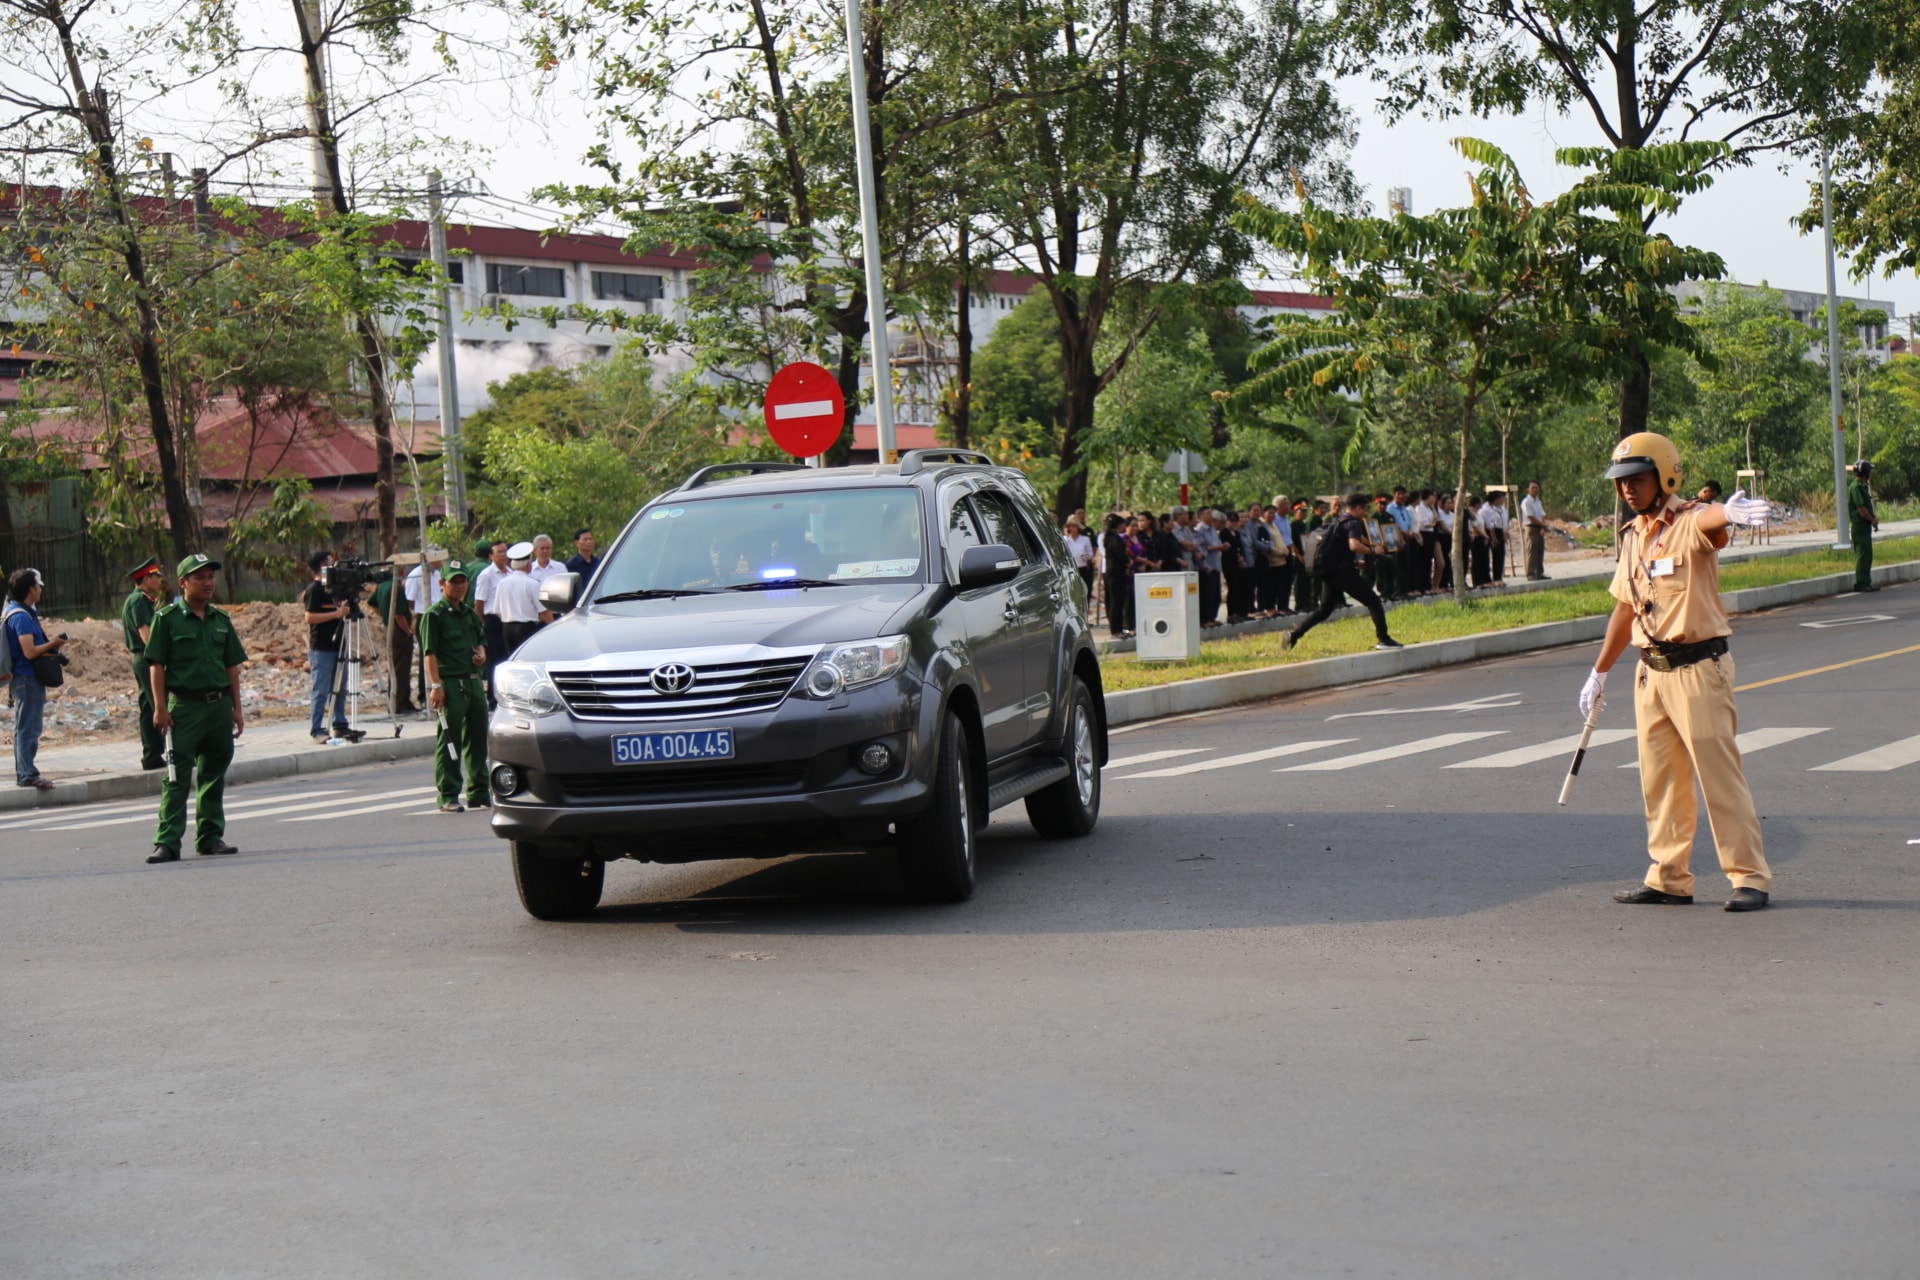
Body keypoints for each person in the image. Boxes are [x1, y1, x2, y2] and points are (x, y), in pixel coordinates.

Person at [1580, 431, 1773, 912]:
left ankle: (1749, 877)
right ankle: (1669, 877)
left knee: (1719, 778)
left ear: (1664, 475)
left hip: (1698, 669)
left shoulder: (1688, 523)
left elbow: (1711, 521)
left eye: (1637, 479)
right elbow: (1625, 612)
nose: (1627, 489)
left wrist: (1728, 512)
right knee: (1661, 782)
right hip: (1651, 672)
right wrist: (1599, 672)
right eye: (1621, 481)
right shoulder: (1633, 537)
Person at [143, 553, 246, 863]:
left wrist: (237, 709)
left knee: (214, 772)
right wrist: (160, 708)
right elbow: (157, 666)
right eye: (199, 577)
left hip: (218, 706)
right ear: (183, 583)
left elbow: (231, 667)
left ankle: (211, 837)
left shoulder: (221, 621)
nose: (207, 582)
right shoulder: (166, 619)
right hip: (184, 707)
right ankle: (167, 842)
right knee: (176, 776)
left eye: (210, 576)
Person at [1280, 494, 1402, 652]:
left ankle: (1293, 635)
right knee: (1373, 601)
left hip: (1331, 571)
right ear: (1358, 508)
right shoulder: (1353, 523)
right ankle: (1383, 639)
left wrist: (1357, 561)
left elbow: (1340, 549)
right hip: (1343, 573)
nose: (1367, 512)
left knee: (1324, 611)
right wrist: (1373, 550)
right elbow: (1353, 545)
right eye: (1366, 509)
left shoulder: (1338, 520)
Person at [422, 560, 490, 814]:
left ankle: (479, 791)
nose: (459, 586)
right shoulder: (434, 615)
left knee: (477, 738)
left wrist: (481, 655)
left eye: (462, 581)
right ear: (442, 584)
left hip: (472, 681)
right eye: (454, 581)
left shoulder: (469, 613)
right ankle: (448, 794)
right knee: (449, 740)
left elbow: (481, 641)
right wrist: (435, 685)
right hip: (450, 684)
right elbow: (429, 654)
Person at [5, 567, 68, 790]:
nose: (40, 589)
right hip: (27, 678)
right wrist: (53, 643)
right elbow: (30, 652)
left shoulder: (18, 611)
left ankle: (25, 772)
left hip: (24, 679)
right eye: (39, 586)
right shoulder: (21, 617)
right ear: (31, 589)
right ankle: (27, 774)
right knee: (28, 729)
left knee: (25, 727)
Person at [300, 550, 358, 744]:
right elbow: (309, 617)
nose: (334, 566)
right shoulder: (315, 590)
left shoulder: (334, 590)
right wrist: (336, 614)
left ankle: (339, 724)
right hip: (322, 648)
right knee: (321, 690)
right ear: (322, 567)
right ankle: (317, 729)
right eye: (330, 563)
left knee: (340, 688)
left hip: (339, 645)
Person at [120, 557, 170, 770]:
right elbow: (146, 634)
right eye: (156, 576)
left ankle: (152, 756)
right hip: (148, 658)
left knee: (149, 709)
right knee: (162, 706)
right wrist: (159, 658)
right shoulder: (139, 600)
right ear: (146, 578)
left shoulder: (139, 599)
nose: (159, 580)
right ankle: (171, 752)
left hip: (142, 659)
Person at [369, 571, 417, 715]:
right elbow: (399, 614)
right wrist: (408, 631)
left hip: (389, 627)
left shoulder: (381, 587)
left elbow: (372, 603)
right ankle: (399, 704)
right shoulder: (395, 588)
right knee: (401, 667)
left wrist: (384, 614)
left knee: (396, 665)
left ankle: (403, 701)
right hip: (399, 630)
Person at [403, 548, 446, 708]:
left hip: (439, 614)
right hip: (424, 615)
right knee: (427, 655)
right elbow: (410, 600)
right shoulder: (416, 575)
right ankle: (424, 695)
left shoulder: (438, 573)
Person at [472, 538, 510, 706]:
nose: (503, 555)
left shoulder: (510, 572)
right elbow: (479, 602)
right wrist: (484, 621)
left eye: (505, 551)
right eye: (499, 552)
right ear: (490, 556)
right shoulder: (486, 575)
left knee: (508, 658)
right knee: (494, 660)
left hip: (509, 620)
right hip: (493, 620)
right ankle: (493, 698)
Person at [496, 540, 550, 653]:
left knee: (512, 659)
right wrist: (553, 625)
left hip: (507, 629)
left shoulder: (502, 583)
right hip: (526, 628)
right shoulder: (533, 583)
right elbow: (544, 612)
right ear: (528, 564)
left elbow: (498, 612)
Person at [1849, 460, 1880, 593]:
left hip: (1865, 526)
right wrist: (1872, 519)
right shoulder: (1856, 487)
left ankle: (1866, 582)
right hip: (1859, 526)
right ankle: (1861, 582)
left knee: (1867, 554)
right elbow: (1861, 508)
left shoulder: (1861, 486)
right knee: (1862, 554)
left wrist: (1873, 518)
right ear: (1866, 472)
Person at [1101, 513, 1133, 637]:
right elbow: (1120, 555)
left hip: (1110, 572)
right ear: (1119, 525)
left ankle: (1115, 628)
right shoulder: (1115, 538)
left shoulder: (1108, 537)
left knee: (1112, 601)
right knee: (1116, 601)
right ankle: (1116, 629)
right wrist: (1127, 561)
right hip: (1116, 572)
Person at [1520, 480, 1549, 581]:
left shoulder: (1538, 501)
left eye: (1536, 488)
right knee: (1531, 551)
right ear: (1528, 489)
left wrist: (1543, 526)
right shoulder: (1526, 502)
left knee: (1539, 551)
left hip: (1539, 527)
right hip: (1531, 527)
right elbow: (1530, 517)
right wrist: (1543, 525)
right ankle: (1530, 573)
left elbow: (1542, 515)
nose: (1535, 490)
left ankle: (1539, 572)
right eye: (1533, 488)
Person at [1063, 518, 1095, 597]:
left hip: (1083, 567)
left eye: (1074, 526)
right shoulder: (1065, 539)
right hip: (1070, 568)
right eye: (1070, 526)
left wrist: (1083, 556)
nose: (1072, 529)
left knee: (1085, 590)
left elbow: (1090, 553)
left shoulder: (1085, 539)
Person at [1484, 489, 1509, 584]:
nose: (1503, 500)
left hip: (1501, 531)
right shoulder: (1489, 509)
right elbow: (1491, 525)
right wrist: (1494, 538)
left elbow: (1504, 521)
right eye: (1501, 498)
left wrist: (1505, 532)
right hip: (1494, 532)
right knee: (1496, 554)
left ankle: (1499, 576)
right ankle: (1496, 578)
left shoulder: (1501, 509)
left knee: (1501, 555)